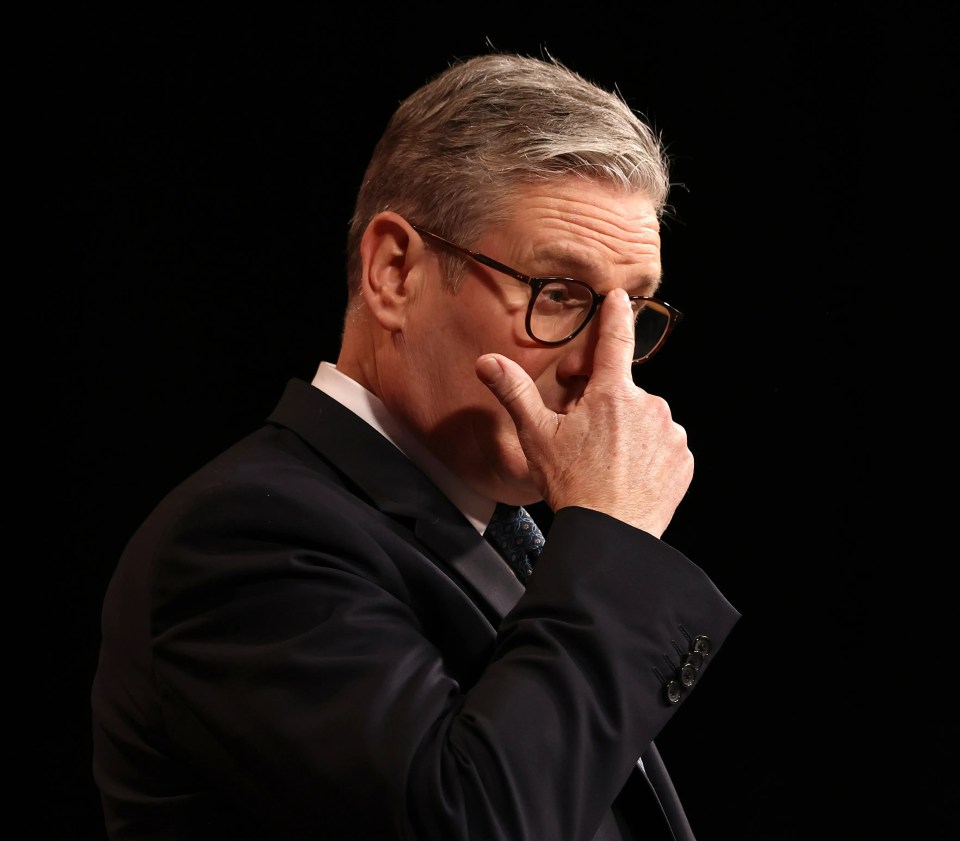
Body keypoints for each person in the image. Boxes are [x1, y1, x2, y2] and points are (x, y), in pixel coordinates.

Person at [91, 51, 740, 841]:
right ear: (395, 272)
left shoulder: (502, 536)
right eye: (559, 292)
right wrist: (617, 538)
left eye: (632, 309)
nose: (599, 367)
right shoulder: (242, 541)